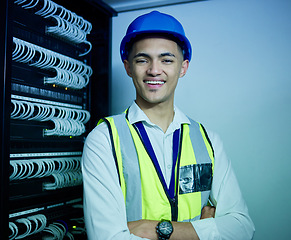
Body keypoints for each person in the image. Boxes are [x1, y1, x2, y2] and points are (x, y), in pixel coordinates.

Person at [82, 10, 255, 240]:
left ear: (183, 67)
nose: (154, 70)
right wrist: (202, 231)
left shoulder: (209, 140)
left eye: (166, 59)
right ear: (128, 67)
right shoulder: (103, 139)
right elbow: (108, 238)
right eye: (143, 60)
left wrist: (155, 229)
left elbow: (242, 227)